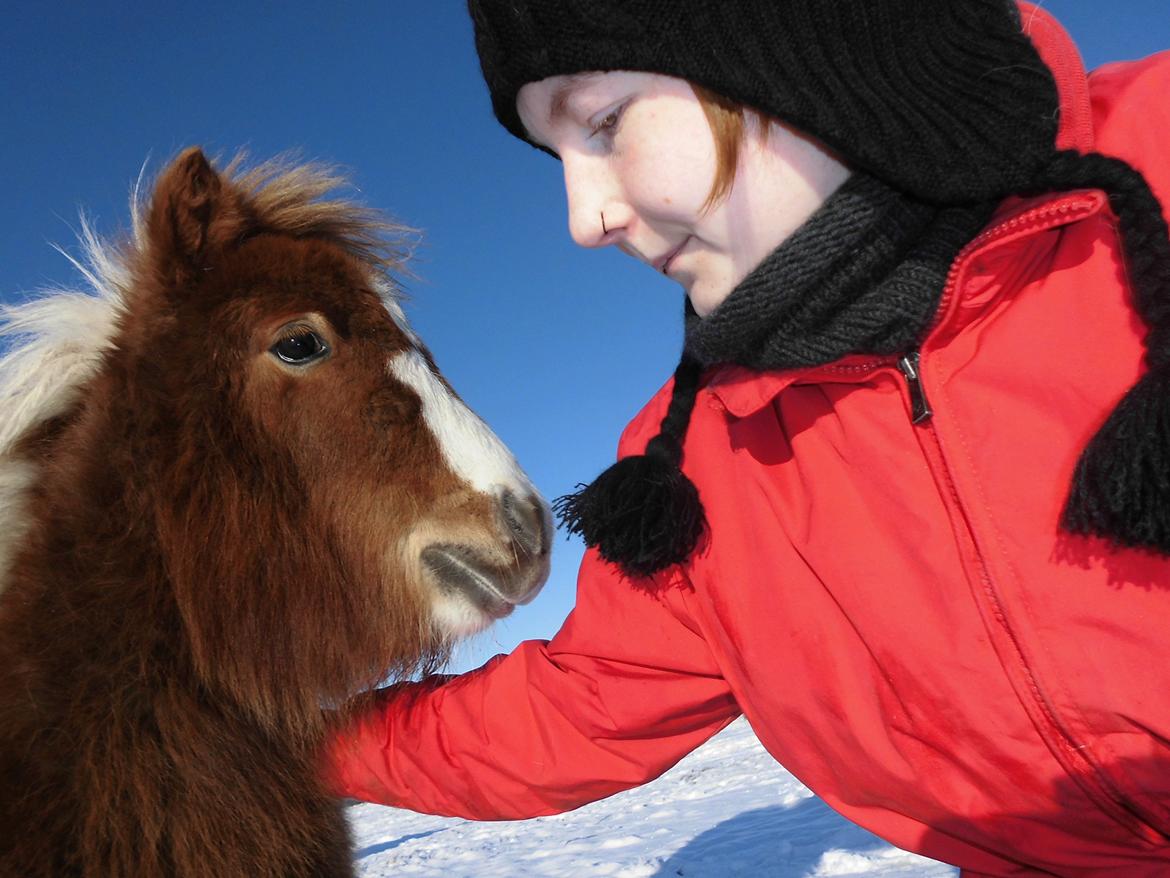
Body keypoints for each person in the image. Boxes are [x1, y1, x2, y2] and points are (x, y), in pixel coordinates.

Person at [326, 2, 1170, 874]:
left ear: (784, 45)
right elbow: (579, 710)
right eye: (559, 157)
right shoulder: (692, 460)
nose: (585, 221)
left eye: (605, 123)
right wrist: (292, 737)